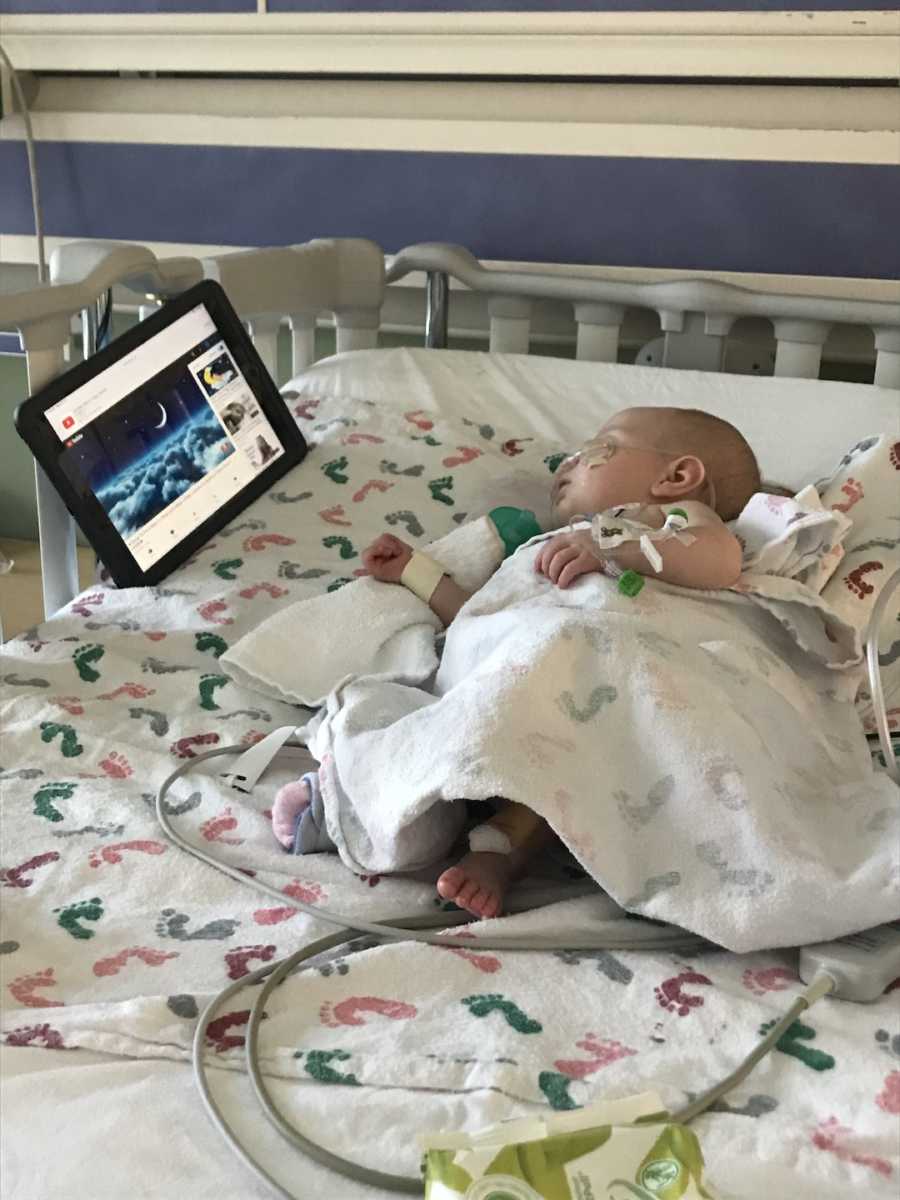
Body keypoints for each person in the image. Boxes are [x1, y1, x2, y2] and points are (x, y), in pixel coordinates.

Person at [271, 406, 761, 918]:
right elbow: (486, 623)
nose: (565, 466)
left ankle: (497, 853)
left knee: (562, 775)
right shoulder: (546, 547)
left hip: (593, 688)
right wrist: (416, 573)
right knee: (416, 715)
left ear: (676, 476)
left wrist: (618, 550)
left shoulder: (665, 524)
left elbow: (720, 559)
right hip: (516, 680)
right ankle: (384, 801)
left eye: (597, 448)